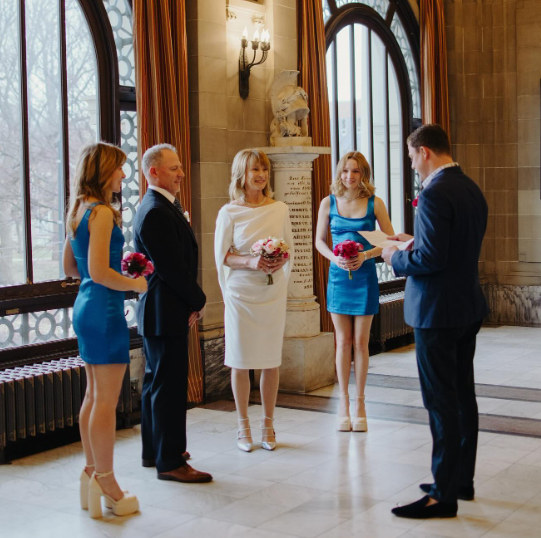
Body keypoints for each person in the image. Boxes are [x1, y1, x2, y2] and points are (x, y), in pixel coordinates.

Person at [382, 124, 489, 519]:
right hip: (466, 308)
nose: (412, 165)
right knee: (463, 397)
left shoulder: (433, 193)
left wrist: (393, 256)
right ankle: (460, 479)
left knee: (441, 401)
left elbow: (430, 261)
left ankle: (443, 495)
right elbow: (453, 247)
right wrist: (415, 242)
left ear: (424, 151)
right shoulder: (471, 189)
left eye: (411, 157)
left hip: (437, 312)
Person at [63, 142, 146, 518]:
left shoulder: (78, 208)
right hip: (104, 310)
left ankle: (90, 472)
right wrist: (135, 284)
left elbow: (71, 267)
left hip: (86, 306)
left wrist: (111, 275)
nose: (123, 177)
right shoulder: (101, 213)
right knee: (106, 402)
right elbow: (99, 272)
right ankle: (108, 483)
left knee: (93, 396)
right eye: (119, 169)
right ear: (103, 171)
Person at [133, 144, 212, 483]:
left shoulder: (159, 206)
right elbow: (172, 269)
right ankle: (170, 462)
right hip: (165, 310)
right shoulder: (154, 211)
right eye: (174, 168)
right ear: (154, 172)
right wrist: (198, 299)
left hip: (164, 310)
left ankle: (155, 450)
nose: (181, 173)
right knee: (169, 387)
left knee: (156, 383)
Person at [215, 149, 294, 452]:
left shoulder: (280, 209)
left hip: (270, 291)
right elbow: (221, 255)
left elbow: (289, 250)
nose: (260, 175)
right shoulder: (229, 212)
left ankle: (269, 424)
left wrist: (277, 262)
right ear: (241, 175)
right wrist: (250, 262)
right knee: (240, 360)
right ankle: (243, 426)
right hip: (241, 294)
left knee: (271, 360)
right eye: (253, 170)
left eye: (263, 168)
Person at [315, 151, 394, 432]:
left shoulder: (376, 203)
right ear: (340, 173)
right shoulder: (328, 202)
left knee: (361, 343)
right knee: (343, 342)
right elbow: (319, 241)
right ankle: (343, 403)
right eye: (346, 170)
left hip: (365, 277)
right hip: (338, 278)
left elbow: (389, 242)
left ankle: (360, 403)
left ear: (364, 174)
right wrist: (334, 259)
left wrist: (366, 255)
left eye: (356, 171)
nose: (350, 176)